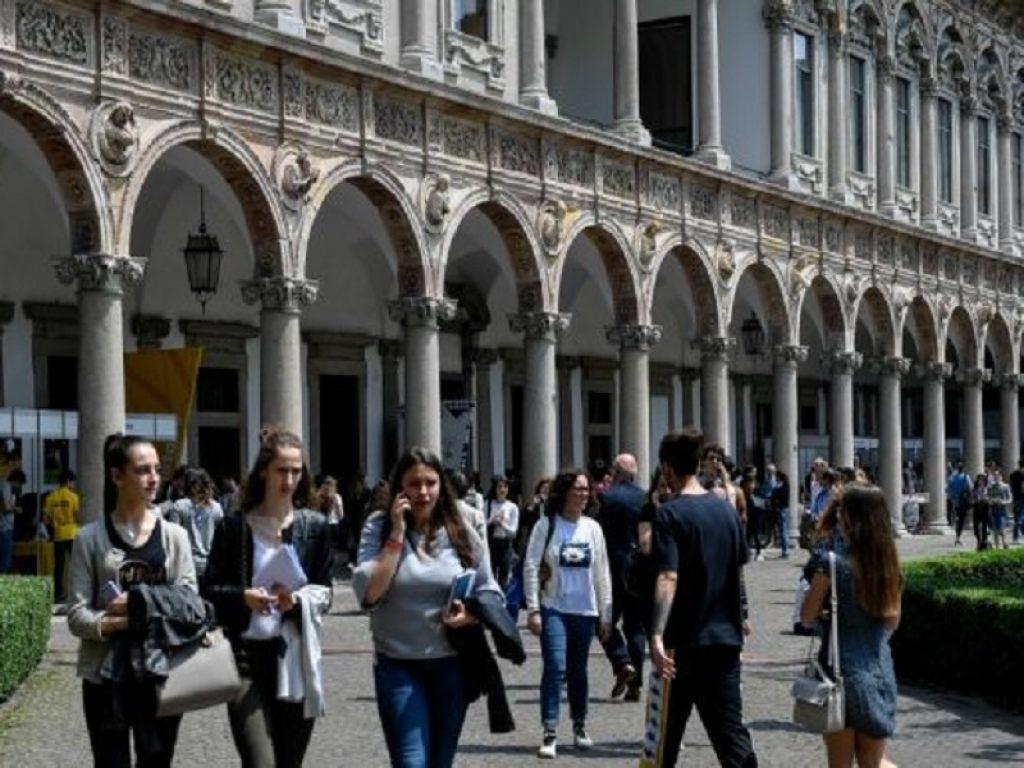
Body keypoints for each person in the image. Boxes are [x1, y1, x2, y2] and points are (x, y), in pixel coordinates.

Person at [353, 447, 499, 768]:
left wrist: (470, 616)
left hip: (451, 666)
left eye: (430, 483)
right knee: (411, 762)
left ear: (441, 485)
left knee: (439, 762)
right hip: (397, 665)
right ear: (399, 488)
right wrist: (397, 534)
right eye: (414, 483)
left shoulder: (460, 528)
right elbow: (368, 594)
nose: (423, 492)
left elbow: (490, 591)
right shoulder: (379, 526)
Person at [203, 426, 333, 768]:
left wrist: (299, 601)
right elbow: (209, 591)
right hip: (246, 660)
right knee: (260, 762)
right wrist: (241, 597)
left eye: (296, 471)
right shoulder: (234, 527)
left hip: (295, 657)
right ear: (263, 471)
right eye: (281, 470)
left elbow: (325, 591)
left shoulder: (315, 527)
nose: (288, 479)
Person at [67, 434, 198, 768]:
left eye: (156, 468)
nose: (154, 477)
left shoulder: (175, 536)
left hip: (162, 673)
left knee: (157, 762)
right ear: (116, 476)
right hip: (104, 676)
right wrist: (120, 622)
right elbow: (77, 615)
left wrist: (139, 605)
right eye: (142, 470)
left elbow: (191, 603)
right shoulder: (89, 539)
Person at [648, 429, 757, 768]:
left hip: (679, 646)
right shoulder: (726, 512)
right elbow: (738, 573)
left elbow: (668, 576)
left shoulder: (669, 514)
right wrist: (742, 616)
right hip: (723, 642)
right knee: (732, 740)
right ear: (697, 464)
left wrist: (655, 633)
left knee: (662, 742)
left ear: (666, 467)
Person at [800, 484, 903, 768]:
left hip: (839, 675)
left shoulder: (831, 565)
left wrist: (828, 613)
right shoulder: (890, 566)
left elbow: (806, 617)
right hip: (879, 671)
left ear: (850, 519)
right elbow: (892, 621)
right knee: (875, 762)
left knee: (840, 765)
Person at [523, 470, 612, 759]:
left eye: (587, 490)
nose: (583, 494)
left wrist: (606, 613)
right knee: (556, 667)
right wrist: (534, 609)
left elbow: (602, 574)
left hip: (585, 611)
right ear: (564, 493)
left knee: (578, 671)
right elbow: (531, 566)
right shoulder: (546, 526)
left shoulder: (593, 529)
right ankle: (550, 730)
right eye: (578, 489)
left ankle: (580, 724)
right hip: (554, 608)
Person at [597, 453, 644, 701]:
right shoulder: (644, 498)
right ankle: (635, 685)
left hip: (612, 567)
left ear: (616, 471)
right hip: (639, 568)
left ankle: (622, 661)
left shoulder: (607, 497)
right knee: (635, 626)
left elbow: (598, 532)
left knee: (603, 621)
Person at [165, 467, 223, 582]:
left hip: (187, 564)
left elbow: (172, 538)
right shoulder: (217, 508)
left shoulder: (179, 506)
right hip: (209, 564)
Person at [44, 468, 80, 603]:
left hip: (58, 535)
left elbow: (46, 519)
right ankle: (76, 592)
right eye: (72, 482)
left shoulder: (51, 497)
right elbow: (77, 516)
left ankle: (58, 594)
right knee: (76, 565)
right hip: (72, 534)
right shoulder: (74, 497)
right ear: (69, 482)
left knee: (58, 566)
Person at [484, 475, 519, 588]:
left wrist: (502, 524)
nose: (502, 490)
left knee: (505, 576)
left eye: (505, 487)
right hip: (490, 543)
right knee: (490, 576)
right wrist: (492, 521)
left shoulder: (512, 507)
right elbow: (481, 525)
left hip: (505, 544)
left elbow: (513, 533)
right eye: (499, 487)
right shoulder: (487, 504)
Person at [948, 463, 972, 546]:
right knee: (962, 520)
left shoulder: (952, 477)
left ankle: (957, 536)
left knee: (957, 519)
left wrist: (952, 498)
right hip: (963, 501)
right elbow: (970, 488)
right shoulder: (966, 477)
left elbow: (948, 489)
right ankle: (958, 537)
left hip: (955, 501)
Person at [770, 469, 792, 559]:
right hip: (785, 508)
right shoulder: (786, 485)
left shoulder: (781, 487)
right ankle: (785, 550)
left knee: (783, 530)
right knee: (784, 529)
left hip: (781, 509)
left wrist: (774, 490)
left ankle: (785, 551)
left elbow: (774, 495)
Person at [987, 469, 1011, 550]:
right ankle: (997, 546)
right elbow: (988, 497)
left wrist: (1004, 502)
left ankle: (1004, 542)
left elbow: (1010, 499)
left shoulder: (1005, 486)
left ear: (1001, 477)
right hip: (994, 510)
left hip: (1002, 510)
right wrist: (991, 501)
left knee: (1001, 528)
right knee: (995, 530)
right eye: (995, 476)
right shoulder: (991, 487)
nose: (996, 477)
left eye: (998, 476)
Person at [972, 473, 991, 550]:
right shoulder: (974, 489)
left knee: (984, 526)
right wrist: (975, 500)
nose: (980, 481)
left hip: (985, 507)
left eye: (982, 479)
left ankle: (984, 542)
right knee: (976, 526)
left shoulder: (988, 489)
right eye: (979, 479)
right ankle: (979, 541)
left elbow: (990, 498)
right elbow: (971, 499)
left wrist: (986, 499)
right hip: (977, 507)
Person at [1009, 458, 1024, 544]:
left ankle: (1015, 537)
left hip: (1015, 498)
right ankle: (1017, 537)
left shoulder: (1013, 474)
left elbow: (1011, 486)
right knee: (1020, 519)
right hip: (1022, 499)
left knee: (1017, 518)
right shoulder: (1022, 474)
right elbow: (1023, 487)